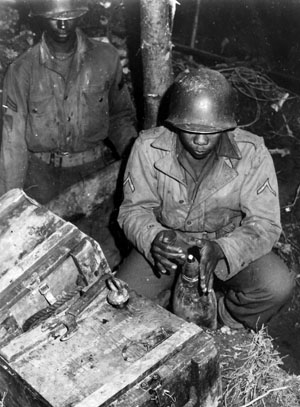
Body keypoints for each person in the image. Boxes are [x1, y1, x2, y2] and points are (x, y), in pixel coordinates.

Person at [117, 67, 294, 331]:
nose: (200, 140)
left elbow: (266, 224)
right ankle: (168, 304)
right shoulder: (148, 148)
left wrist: (223, 248)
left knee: (277, 286)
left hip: (226, 242)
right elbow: (133, 210)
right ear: (176, 123)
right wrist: (153, 238)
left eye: (210, 131)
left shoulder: (252, 154)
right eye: (190, 129)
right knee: (119, 303)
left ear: (226, 125)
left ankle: (222, 319)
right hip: (170, 247)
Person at [0, 0, 137, 204]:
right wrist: (10, 202)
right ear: (42, 17)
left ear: (80, 15)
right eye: (55, 18)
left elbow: (120, 118)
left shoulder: (105, 58)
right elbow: (13, 142)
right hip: (40, 178)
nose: (63, 25)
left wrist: (138, 163)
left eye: (69, 17)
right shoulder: (22, 70)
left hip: (94, 172)